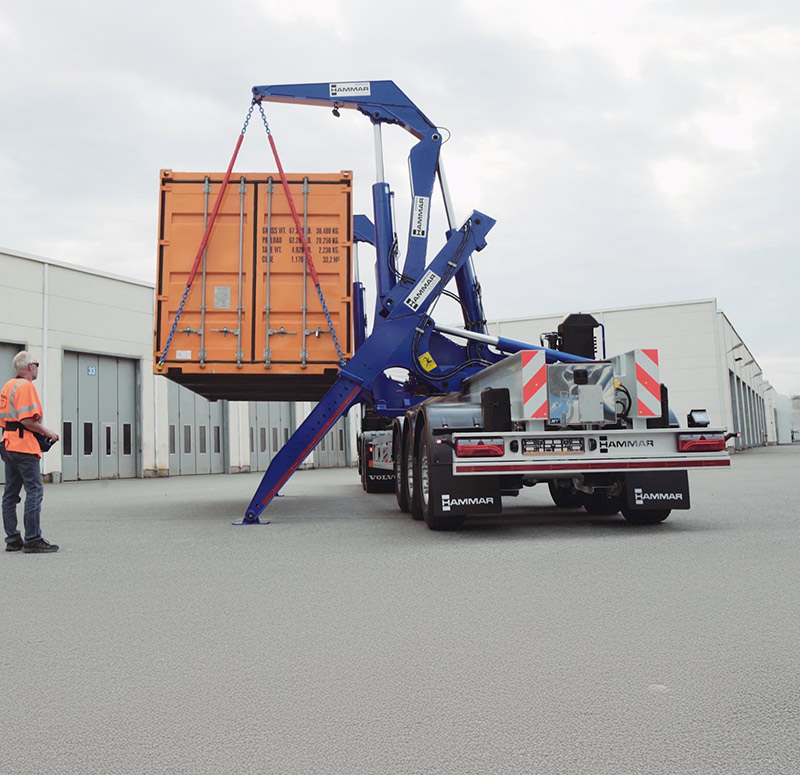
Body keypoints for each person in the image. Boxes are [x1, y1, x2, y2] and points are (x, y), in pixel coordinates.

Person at [0, 351, 59, 553]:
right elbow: (26, 421)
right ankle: (33, 539)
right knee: (34, 490)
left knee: (10, 493)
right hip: (24, 447)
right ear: (29, 367)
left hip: (8, 444)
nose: (37, 368)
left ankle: (12, 538)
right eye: (36, 364)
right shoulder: (25, 386)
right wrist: (47, 432)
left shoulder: (8, 386)